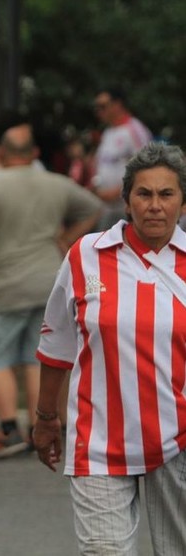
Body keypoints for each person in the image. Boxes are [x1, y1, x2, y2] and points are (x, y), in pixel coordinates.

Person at [34, 142, 186, 555]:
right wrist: (46, 417)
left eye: (166, 194)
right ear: (126, 200)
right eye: (144, 193)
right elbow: (57, 343)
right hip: (99, 442)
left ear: (182, 203)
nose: (155, 205)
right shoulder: (86, 255)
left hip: (178, 442)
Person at [0, 124, 101, 459]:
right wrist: (67, 239)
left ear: (2, 153)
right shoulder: (56, 183)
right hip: (50, 280)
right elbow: (93, 207)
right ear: (34, 153)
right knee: (38, 357)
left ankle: (8, 429)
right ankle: (45, 424)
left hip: (4, 284)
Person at [91, 87, 152, 229]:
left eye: (103, 106)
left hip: (128, 208)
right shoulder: (108, 132)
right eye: (97, 107)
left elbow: (147, 167)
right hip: (106, 208)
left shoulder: (134, 129)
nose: (99, 111)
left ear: (117, 104)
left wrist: (119, 191)